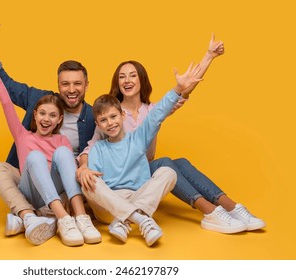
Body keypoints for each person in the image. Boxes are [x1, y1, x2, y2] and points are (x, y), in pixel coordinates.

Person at [78, 36, 266, 234]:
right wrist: (83, 167)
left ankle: (230, 206)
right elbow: (92, 147)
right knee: (167, 162)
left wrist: (208, 57)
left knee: (180, 164)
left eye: (132, 75)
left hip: (142, 174)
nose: (127, 80)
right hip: (122, 176)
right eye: (122, 77)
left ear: (141, 80)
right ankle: (208, 210)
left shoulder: (150, 111)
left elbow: (183, 89)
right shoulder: (110, 112)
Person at [0, 23, 100, 244]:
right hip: (30, 181)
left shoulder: (91, 118)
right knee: (24, 160)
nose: (71, 89)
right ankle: (37, 217)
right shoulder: (27, 126)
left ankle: (74, 217)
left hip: (64, 183)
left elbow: (114, 128)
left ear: (87, 85)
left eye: (77, 84)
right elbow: (6, 95)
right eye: (65, 84)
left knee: (64, 154)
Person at [82, 63, 202, 246]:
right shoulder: (98, 149)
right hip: (110, 206)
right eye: (103, 120)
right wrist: (84, 170)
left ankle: (124, 222)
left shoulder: (138, 138)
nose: (110, 123)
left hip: (138, 196)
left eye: (113, 117)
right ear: (98, 125)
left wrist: (178, 88)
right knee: (89, 183)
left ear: (123, 116)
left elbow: (157, 114)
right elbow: (99, 188)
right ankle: (142, 220)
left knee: (169, 172)